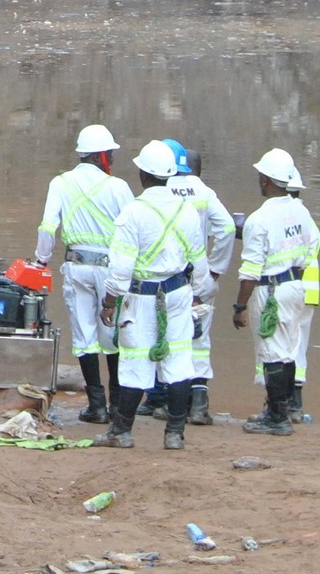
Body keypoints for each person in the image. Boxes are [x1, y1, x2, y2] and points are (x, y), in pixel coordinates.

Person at [94, 139, 205, 450]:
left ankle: (121, 431)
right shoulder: (187, 210)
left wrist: (110, 301)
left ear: (142, 174)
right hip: (179, 293)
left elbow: (120, 269)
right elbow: (199, 262)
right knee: (180, 362)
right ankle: (174, 434)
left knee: (134, 363)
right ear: (170, 175)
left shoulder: (134, 213)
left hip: (141, 298)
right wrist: (196, 297)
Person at [32, 123, 132, 424]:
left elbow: (48, 228)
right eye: (110, 154)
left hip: (77, 267)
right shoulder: (118, 187)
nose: (112, 160)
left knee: (84, 335)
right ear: (101, 156)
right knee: (112, 335)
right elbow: (133, 229)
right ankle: (116, 406)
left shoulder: (60, 183)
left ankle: (96, 406)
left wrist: (41, 261)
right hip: (111, 270)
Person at [235, 149, 320, 436]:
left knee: (271, 352)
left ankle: (277, 417)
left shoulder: (259, 219)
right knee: (287, 350)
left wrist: (239, 306)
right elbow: (311, 249)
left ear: (266, 180)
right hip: (296, 286)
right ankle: (282, 410)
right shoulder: (301, 211)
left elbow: (250, 271)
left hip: (269, 291)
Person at [153, 140, 237, 427]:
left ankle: (172, 403)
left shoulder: (161, 190)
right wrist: (216, 269)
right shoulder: (204, 191)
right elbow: (227, 228)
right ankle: (199, 406)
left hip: (169, 278)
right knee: (200, 339)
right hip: (201, 276)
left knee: (171, 338)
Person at [287, 165, 316, 421]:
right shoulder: (306, 217)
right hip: (308, 292)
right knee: (298, 346)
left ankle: (282, 406)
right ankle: (294, 406)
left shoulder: (286, 216)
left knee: (281, 346)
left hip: (291, 289)